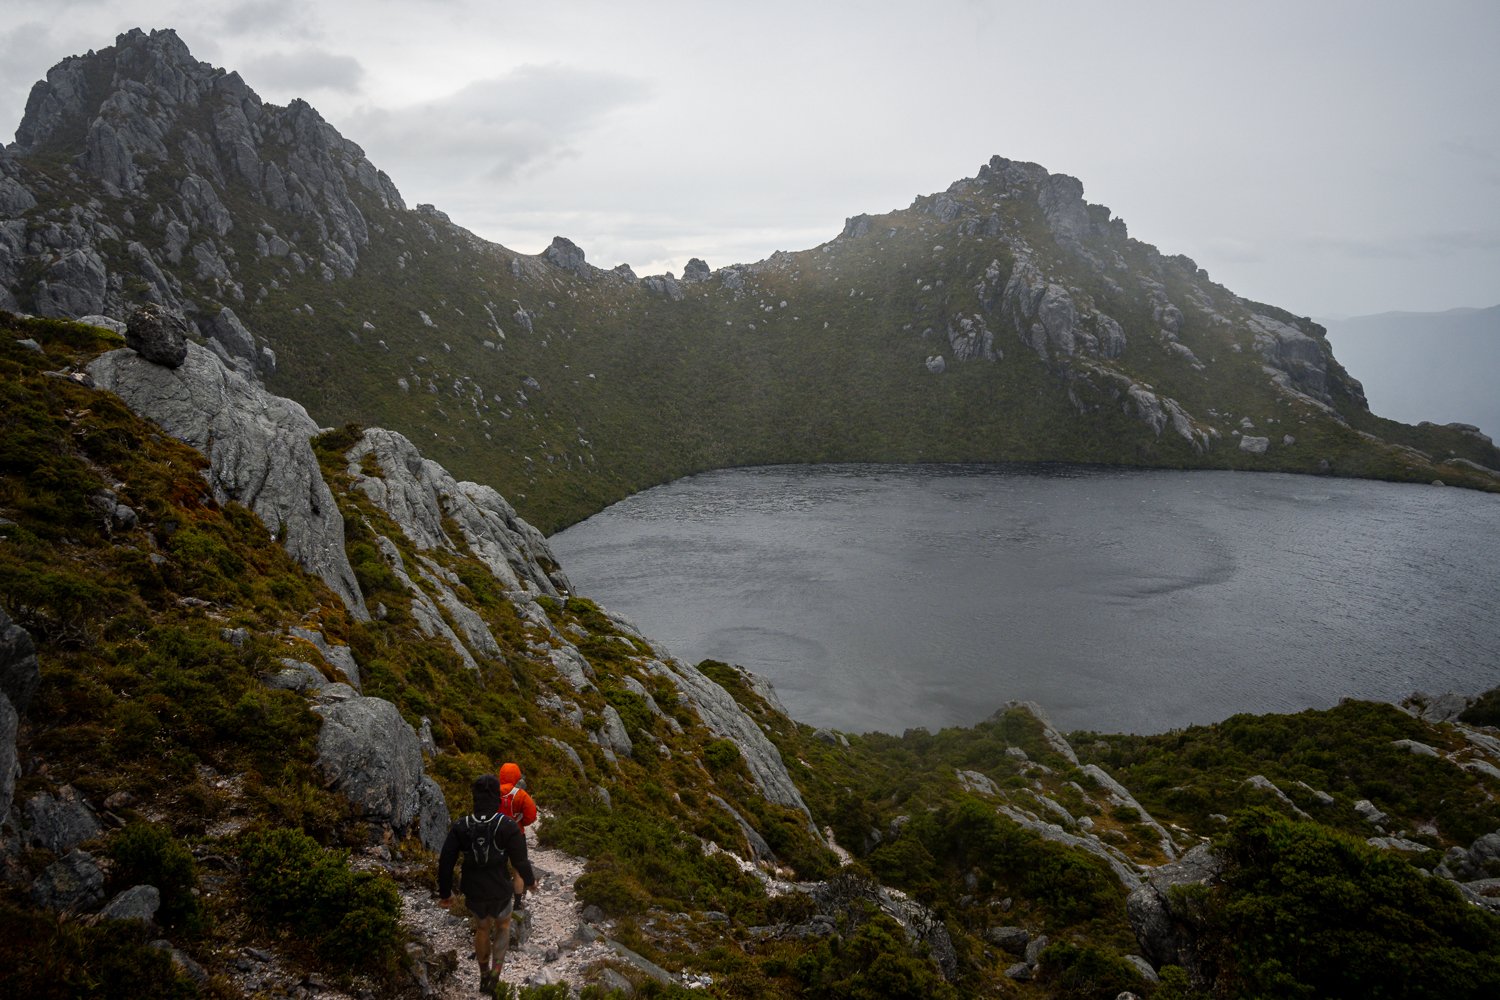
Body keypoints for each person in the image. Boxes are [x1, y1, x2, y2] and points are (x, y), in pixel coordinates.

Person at [438, 774, 536, 993]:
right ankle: (495, 975)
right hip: (500, 888)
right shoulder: (507, 826)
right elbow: (520, 860)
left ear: (474, 797)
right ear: (497, 799)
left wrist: (445, 893)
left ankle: (483, 975)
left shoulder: (462, 825)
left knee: (482, 927)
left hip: (473, 889)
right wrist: (530, 882)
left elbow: (446, 860)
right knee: (502, 927)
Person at [497, 761, 538, 909]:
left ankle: (500, 901)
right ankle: (517, 903)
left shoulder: (493, 792)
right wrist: (521, 823)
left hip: (496, 835)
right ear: (517, 776)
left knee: (498, 867)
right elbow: (531, 815)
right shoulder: (521, 795)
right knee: (518, 869)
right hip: (516, 834)